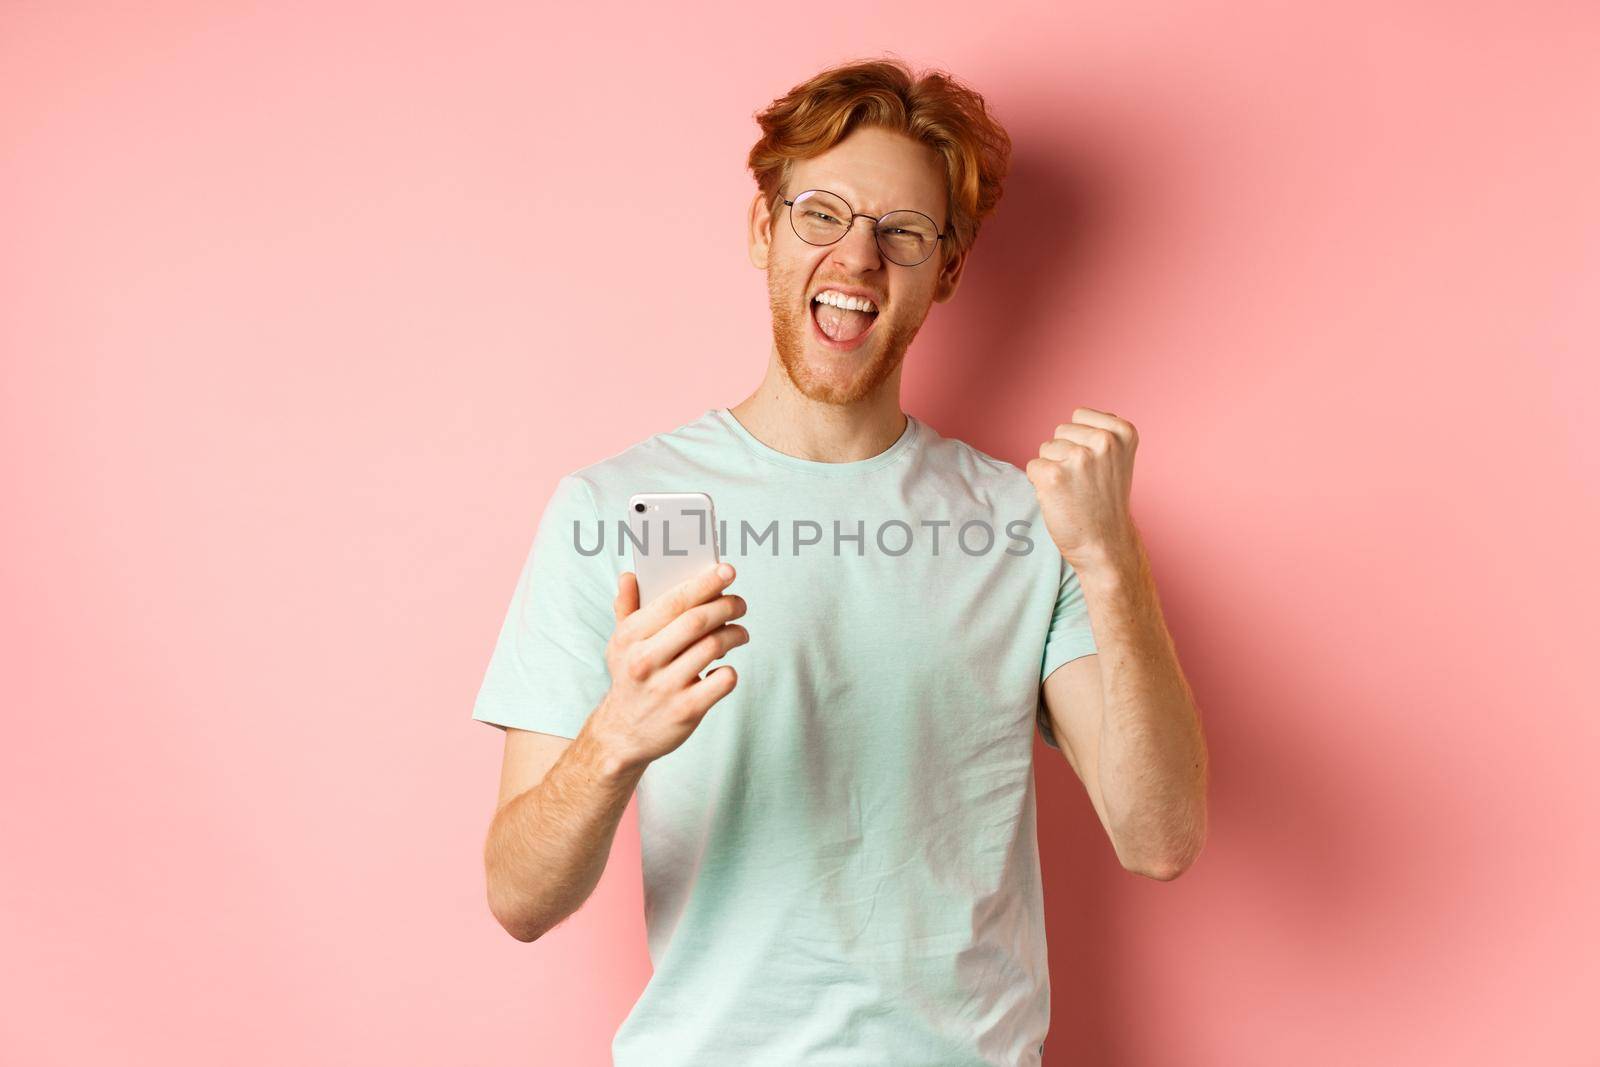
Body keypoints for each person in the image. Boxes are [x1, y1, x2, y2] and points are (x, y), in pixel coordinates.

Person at [471, 55, 1209, 1067]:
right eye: (821, 213)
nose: (857, 258)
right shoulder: (615, 510)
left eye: (902, 232)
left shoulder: (1024, 519)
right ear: (763, 230)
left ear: (946, 268)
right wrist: (616, 738)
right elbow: (518, 895)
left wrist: (1113, 561)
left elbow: (1156, 835)